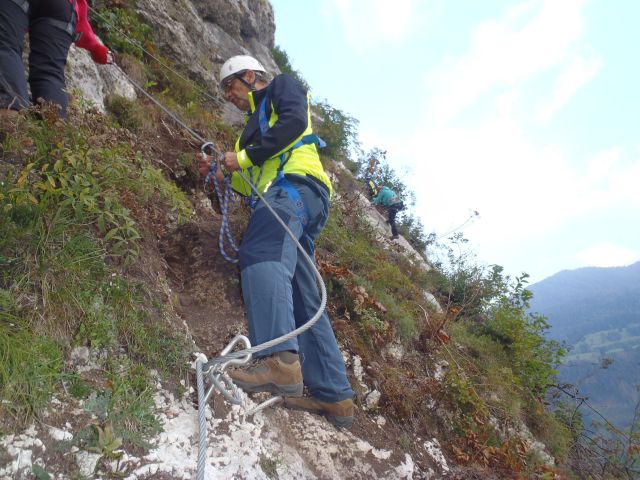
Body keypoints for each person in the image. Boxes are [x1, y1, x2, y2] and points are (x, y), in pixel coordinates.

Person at [197, 55, 354, 427]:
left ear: (250, 76)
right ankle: (335, 396)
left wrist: (244, 156)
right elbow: (243, 180)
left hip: (291, 191)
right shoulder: (250, 130)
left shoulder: (282, 87)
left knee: (261, 252)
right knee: (303, 294)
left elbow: (295, 122)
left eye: (230, 87)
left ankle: (280, 362)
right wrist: (221, 169)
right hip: (297, 200)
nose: (228, 96)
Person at [0, 0, 113, 119]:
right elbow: (81, 21)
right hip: (63, 7)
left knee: (5, 45)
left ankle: (8, 115)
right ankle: (53, 129)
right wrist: (96, 47)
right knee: (50, 74)